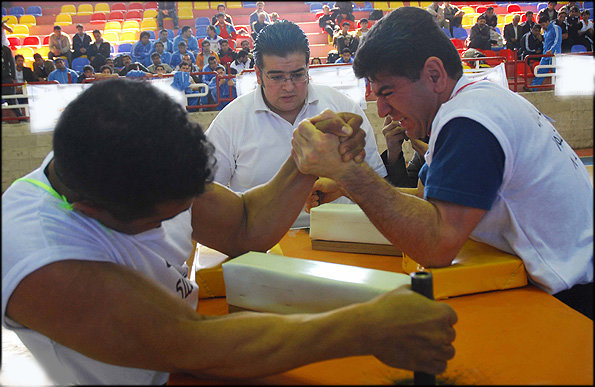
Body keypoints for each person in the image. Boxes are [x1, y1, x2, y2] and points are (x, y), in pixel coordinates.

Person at [2, 75, 457, 385]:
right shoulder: (39, 255)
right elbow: (193, 343)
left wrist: (305, 162)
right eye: (161, 219)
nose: (178, 221)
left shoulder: (139, 162)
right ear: (89, 209)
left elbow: (244, 226)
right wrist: (365, 327)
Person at [294, 6, 593, 319]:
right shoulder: (476, 101)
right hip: (569, 281)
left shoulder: (468, 121)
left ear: (434, 75)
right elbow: (432, 203)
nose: (382, 110)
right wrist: (346, 186)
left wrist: (349, 172)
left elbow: (436, 244)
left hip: (572, 302)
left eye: (387, 92)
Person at [204, 21, 387, 228]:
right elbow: (203, 193)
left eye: (298, 75)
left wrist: (343, 184)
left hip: (340, 236)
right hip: (261, 247)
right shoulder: (230, 121)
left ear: (308, 68)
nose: (289, 86)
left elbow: (377, 181)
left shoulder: (342, 107)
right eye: (277, 77)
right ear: (258, 75)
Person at [529, 13, 562, 91]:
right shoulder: (545, 31)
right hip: (546, 55)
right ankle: (533, 88)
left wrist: (551, 50)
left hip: (554, 55)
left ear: (548, 22)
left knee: (557, 73)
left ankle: (560, 89)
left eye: (543, 24)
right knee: (540, 71)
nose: (542, 27)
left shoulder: (556, 28)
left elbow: (557, 41)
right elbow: (546, 42)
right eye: (541, 25)